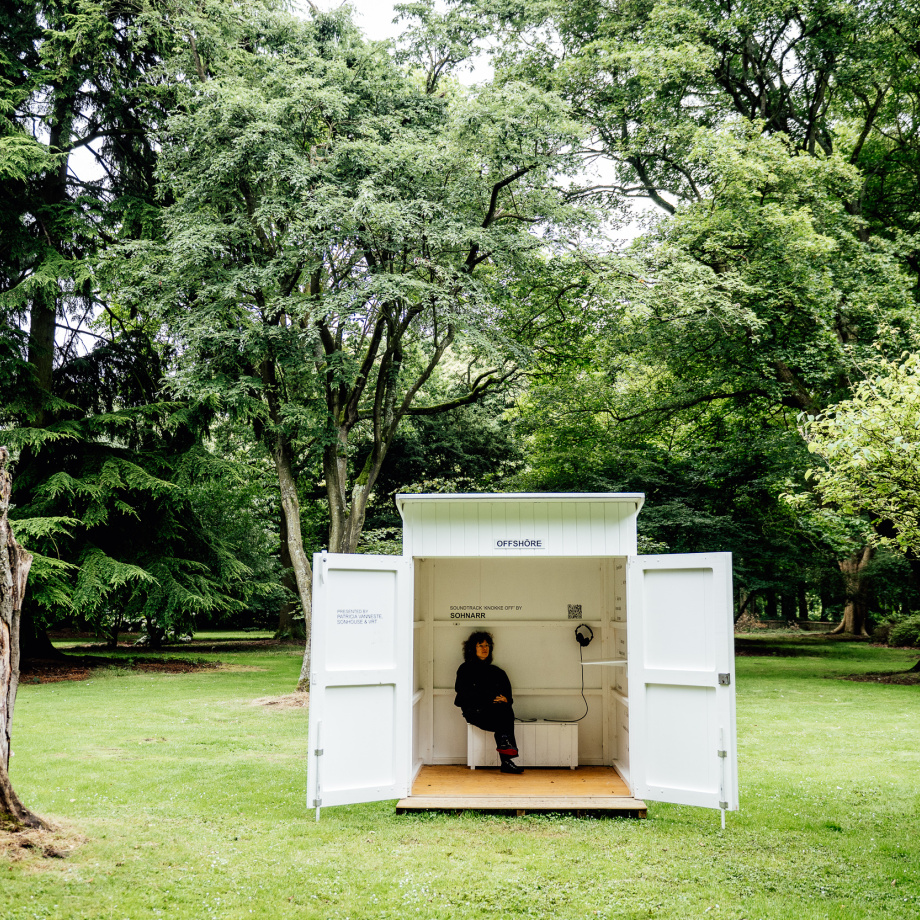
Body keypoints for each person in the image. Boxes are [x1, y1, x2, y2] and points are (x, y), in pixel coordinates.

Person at [454, 631, 524, 774]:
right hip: (475, 712)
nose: (485, 648)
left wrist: (506, 699)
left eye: (487, 645)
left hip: (495, 713)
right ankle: (506, 756)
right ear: (472, 648)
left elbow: (507, 694)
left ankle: (505, 748)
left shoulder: (497, 672)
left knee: (504, 709)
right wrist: (490, 699)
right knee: (504, 716)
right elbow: (464, 694)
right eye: (480, 645)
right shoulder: (465, 669)